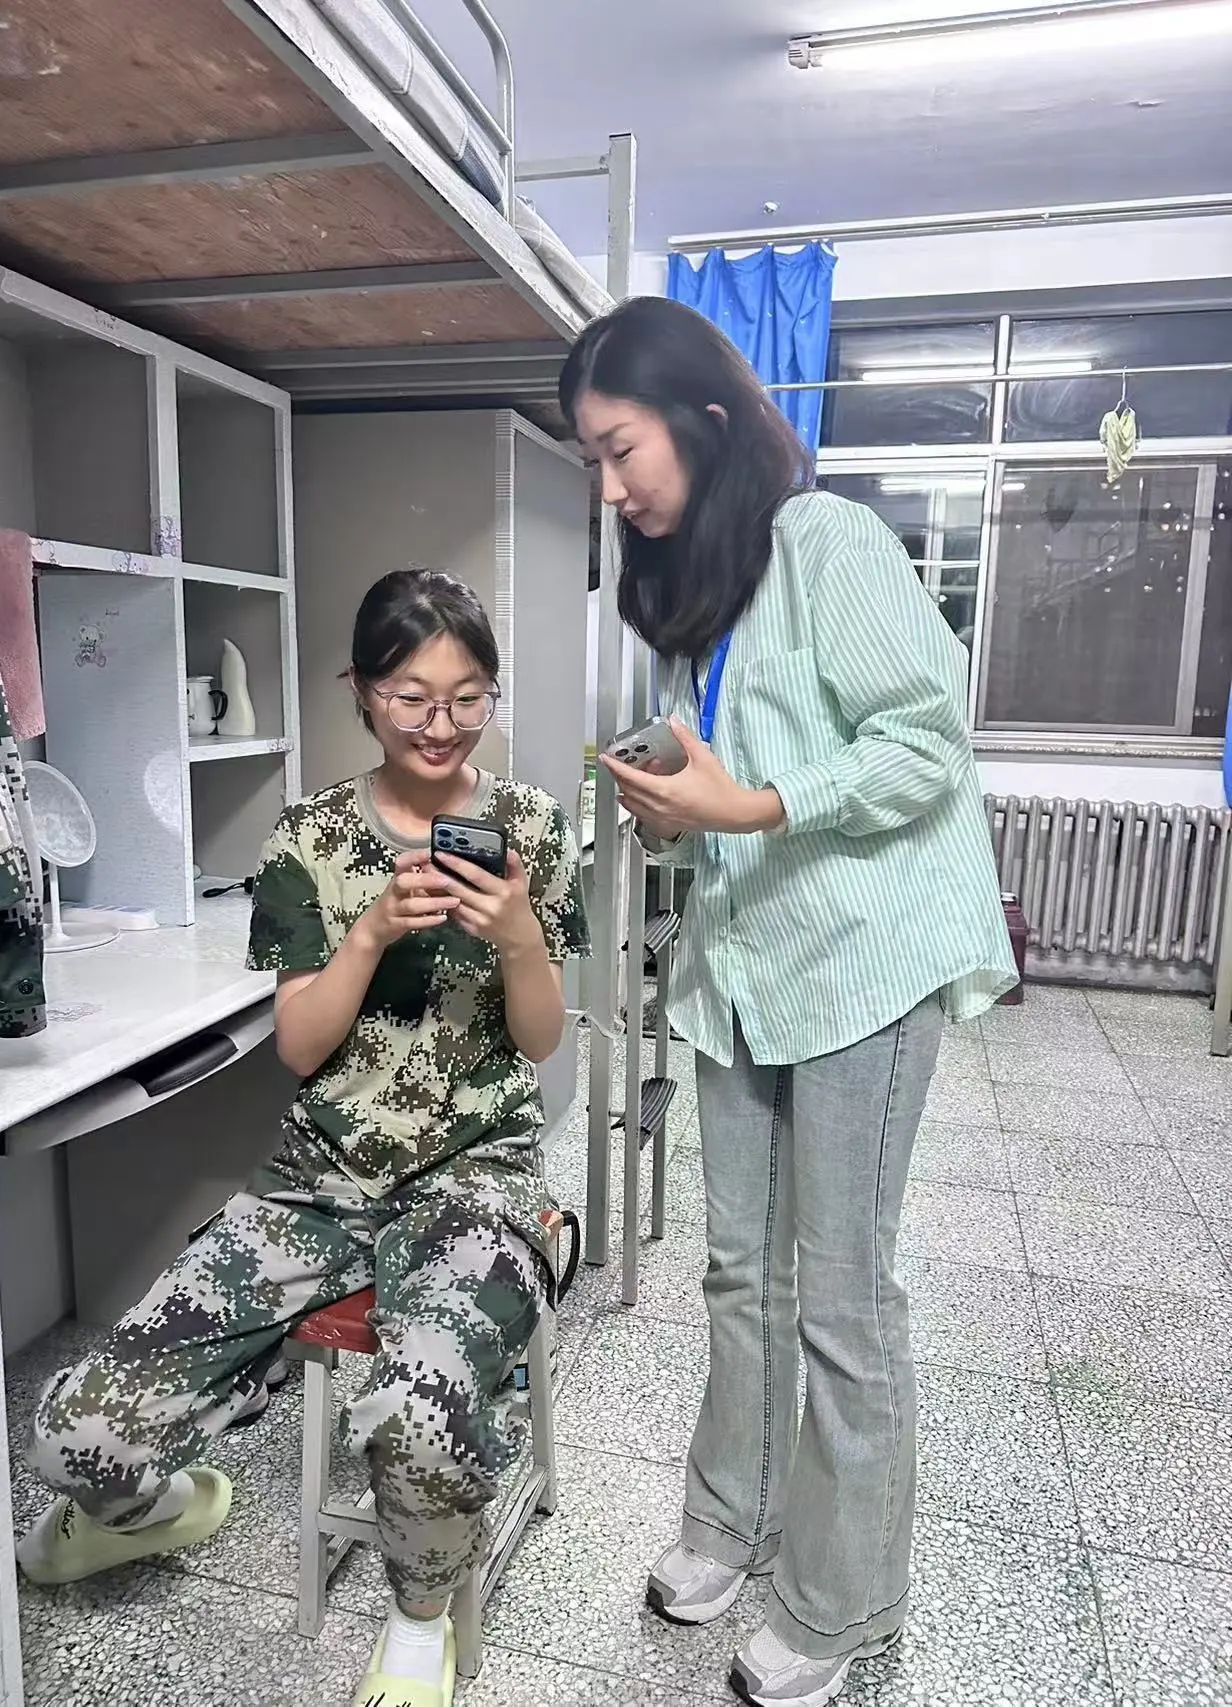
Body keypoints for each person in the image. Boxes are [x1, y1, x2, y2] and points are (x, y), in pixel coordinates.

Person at [18, 568, 590, 1707]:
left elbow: (537, 1040)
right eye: (411, 697)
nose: (440, 725)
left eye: (467, 697)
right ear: (361, 690)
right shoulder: (310, 838)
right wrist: (369, 933)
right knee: (75, 1439)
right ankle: (157, 1509)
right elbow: (298, 1046)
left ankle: (419, 1622)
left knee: (422, 1414)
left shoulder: (529, 827)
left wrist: (520, 934)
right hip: (315, 1183)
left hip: (475, 1174)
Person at [561, 297, 1016, 1707]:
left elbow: (924, 743)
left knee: (841, 1297)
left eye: (620, 448)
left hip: (862, 966)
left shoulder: (827, 542)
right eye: (591, 459)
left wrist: (747, 803)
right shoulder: (699, 602)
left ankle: (841, 1598)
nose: (609, 486)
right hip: (746, 969)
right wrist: (677, 807)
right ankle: (731, 1520)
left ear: (703, 423)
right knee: (739, 1272)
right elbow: (724, 791)